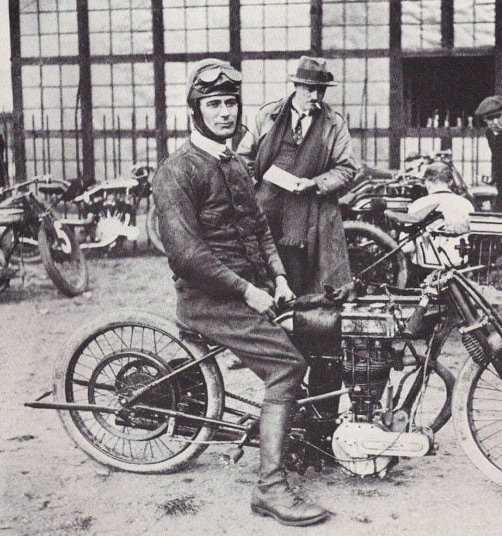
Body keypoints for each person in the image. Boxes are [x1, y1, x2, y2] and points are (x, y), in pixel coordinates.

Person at [152, 58, 329, 527]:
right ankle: (269, 489)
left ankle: (303, 442)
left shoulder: (233, 163)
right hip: (208, 300)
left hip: (251, 292)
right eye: (215, 104)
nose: (226, 112)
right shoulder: (176, 171)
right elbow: (187, 254)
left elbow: (260, 231)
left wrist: (282, 278)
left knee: (323, 330)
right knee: (287, 367)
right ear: (196, 110)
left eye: (231, 103)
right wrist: (250, 291)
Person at [238, 55, 356, 297]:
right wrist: (254, 184)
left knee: (304, 282)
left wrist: (314, 183)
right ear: (297, 86)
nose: (315, 97)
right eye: (310, 90)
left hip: (309, 216)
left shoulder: (334, 124)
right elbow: (243, 158)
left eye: (320, 91)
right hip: (266, 212)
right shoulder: (268, 116)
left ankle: (302, 326)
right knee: (263, 276)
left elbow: (346, 169)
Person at [405, 162, 475, 267]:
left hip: (424, 269)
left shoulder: (418, 205)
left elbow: (407, 247)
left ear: (427, 182)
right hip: (459, 266)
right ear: (450, 182)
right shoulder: (466, 204)